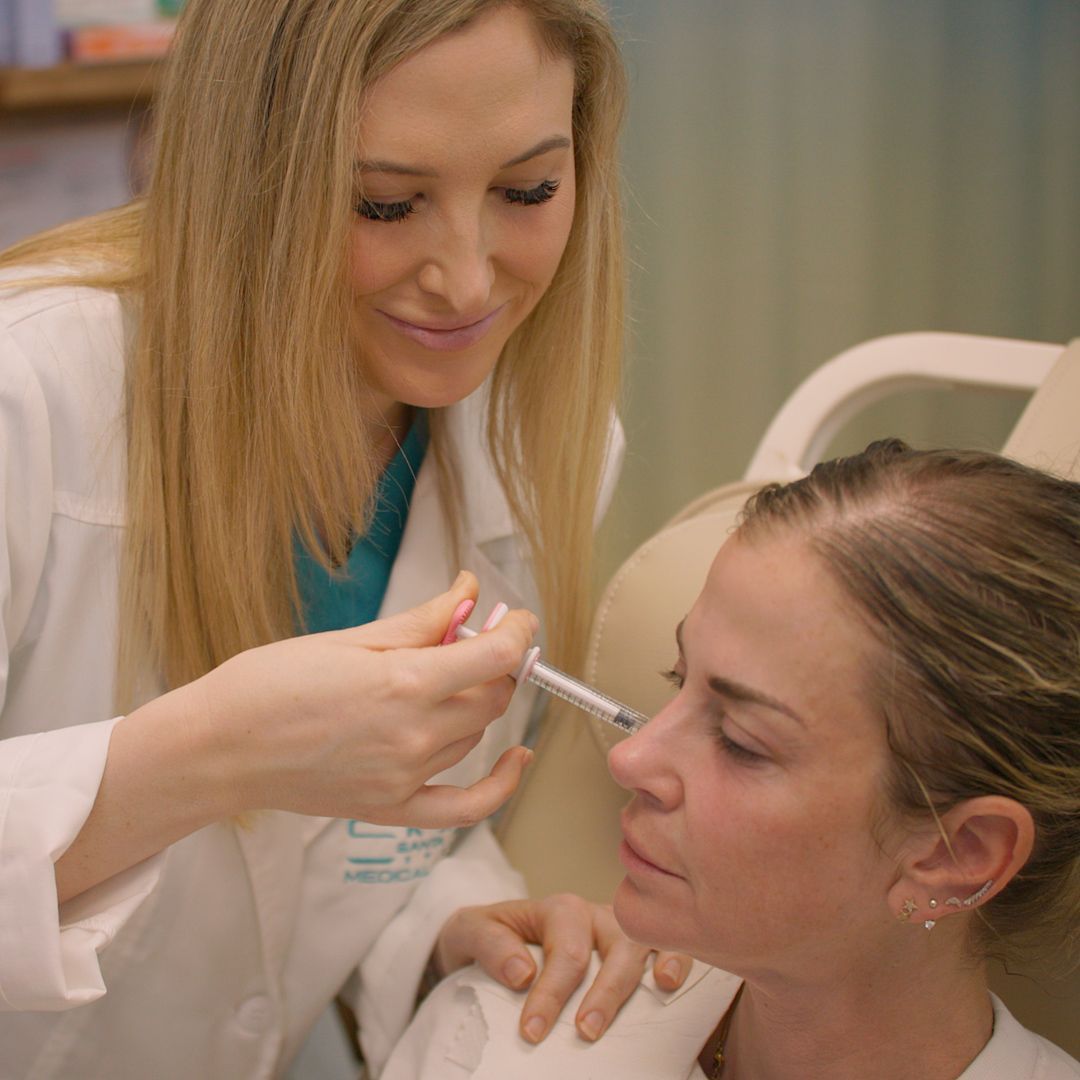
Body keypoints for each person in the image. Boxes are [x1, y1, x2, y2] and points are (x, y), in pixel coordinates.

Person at [0, 2, 689, 1076]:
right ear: (243, 183)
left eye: (528, 191)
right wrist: (207, 757)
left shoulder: (535, 442)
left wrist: (439, 930)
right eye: (383, 204)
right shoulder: (28, 394)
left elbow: (353, 856)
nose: (465, 279)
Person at [383, 440, 1080, 1079]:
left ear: (959, 853)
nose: (630, 757)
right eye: (677, 679)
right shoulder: (499, 1037)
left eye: (743, 741)